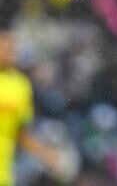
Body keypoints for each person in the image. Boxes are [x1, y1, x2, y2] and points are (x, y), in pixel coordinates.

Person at [0, 27, 75, 186]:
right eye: (5, 48)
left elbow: (20, 133)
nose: (10, 53)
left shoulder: (20, 86)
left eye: (12, 49)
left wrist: (46, 154)